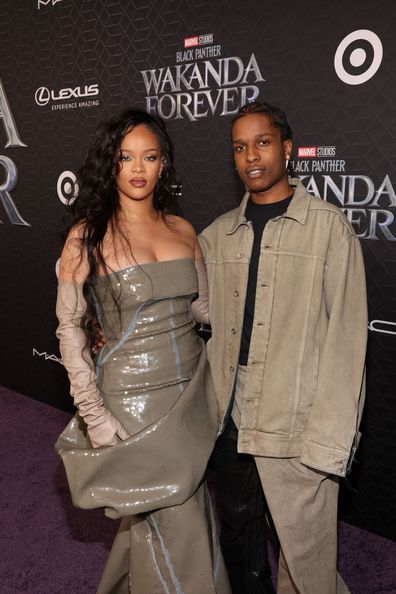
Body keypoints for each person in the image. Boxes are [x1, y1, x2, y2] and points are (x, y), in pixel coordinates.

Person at [55, 109, 230, 594]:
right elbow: (69, 330)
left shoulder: (184, 231)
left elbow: (205, 312)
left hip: (190, 397)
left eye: (149, 157)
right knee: (176, 519)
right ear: (110, 166)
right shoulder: (86, 237)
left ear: (163, 165)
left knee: (173, 513)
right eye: (125, 157)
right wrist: (94, 417)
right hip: (130, 402)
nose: (137, 168)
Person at [199, 101, 368, 594]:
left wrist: (329, 441)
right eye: (239, 146)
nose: (251, 156)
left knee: (306, 557)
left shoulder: (329, 229)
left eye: (263, 142)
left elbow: (347, 343)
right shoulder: (215, 237)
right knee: (239, 536)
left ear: (288, 149)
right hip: (229, 415)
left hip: (295, 421)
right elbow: (192, 310)